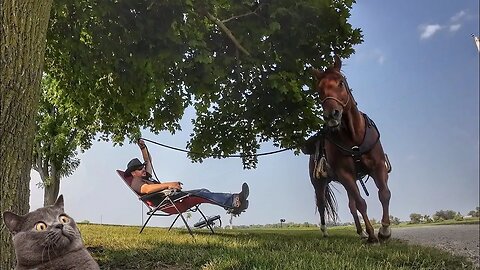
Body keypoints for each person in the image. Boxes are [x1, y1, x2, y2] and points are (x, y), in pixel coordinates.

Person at [125, 139, 249, 215]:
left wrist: (142, 147)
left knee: (203, 191)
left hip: (172, 198)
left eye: (143, 167)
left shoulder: (146, 177)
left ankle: (232, 206)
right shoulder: (136, 181)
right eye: (140, 169)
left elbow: (148, 160)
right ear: (133, 172)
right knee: (201, 194)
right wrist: (169, 185)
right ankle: (234, 201)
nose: (143, 169)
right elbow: (146, 190)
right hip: (167, 203)